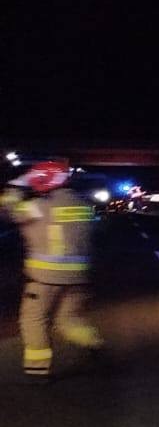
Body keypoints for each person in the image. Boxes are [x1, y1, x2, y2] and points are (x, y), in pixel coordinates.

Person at [3, 161, 103, 380]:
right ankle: (93, 343)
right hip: (79, 276)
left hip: (44, 279)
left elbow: (7, 212)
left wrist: (15, 185)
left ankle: (38, 370)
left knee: (34, 320)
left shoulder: (37, 207)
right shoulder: (84, 205)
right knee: (68, 319)